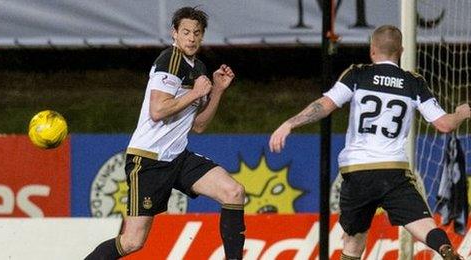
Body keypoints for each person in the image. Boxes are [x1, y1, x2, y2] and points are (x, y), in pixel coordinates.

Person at [269, 25, 468, 260]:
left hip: (358, 171)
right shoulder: (413, 82)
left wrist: (290, 123)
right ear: (401, 50)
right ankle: (445, 248)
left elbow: (325, 105)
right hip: (393, 172)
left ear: (372, 50)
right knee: (424, 226)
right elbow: (444, 124)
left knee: (353, 244)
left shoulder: (357, 74)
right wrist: (462, 112)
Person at [85, 6, 245, 260]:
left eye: (196, 33)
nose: (191, 38)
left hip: (178, 156)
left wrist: (217, 91)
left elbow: (199, 125)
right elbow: (158, 110)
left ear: (202, 36)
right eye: (186, 32)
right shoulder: (170, 60)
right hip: (148, 159)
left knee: (233, 192)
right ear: (174, 33)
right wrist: (195, 93)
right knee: (132, 242)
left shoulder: (200, 68)